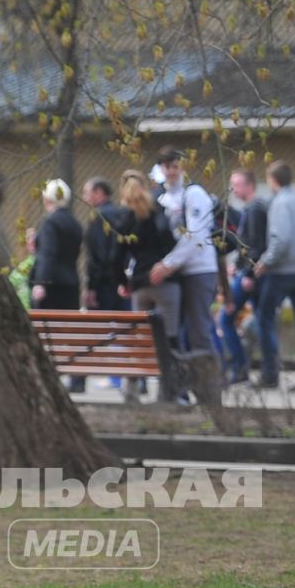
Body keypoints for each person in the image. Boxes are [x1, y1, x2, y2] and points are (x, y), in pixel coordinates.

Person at [253, 161, 295, 392]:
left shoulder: (280, 203)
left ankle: (270, 375)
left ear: (273, 180)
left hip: (282, 271)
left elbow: (280, 239)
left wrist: (265, 262)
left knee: (264, 317)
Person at [147, 147, 220, 359]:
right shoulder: (161, 200)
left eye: (175, 166)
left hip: (198, 270)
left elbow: (195, 236)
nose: (171, 171)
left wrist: (168, 264)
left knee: (199, 334)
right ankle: (180, 388)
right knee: (174, 334)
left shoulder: (194, 194)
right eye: (167, 167)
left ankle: (211, 387)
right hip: (175, 274)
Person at [115, 169, 178, 400]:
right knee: (169, 338)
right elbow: (169, 240)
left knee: (140, 338)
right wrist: (165, 264)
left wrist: (124, 282)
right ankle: (166, 392)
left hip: (140, 283)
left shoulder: (125, 217)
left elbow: (115, 256)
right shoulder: (158, 211)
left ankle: (131, 390)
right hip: (165, 280)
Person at [215, 166, 266, 385]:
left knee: (226, 319)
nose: (233, 189)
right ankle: (256, 368)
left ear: (249, 185)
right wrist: (236, 264)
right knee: (261, 321)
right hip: (246, 272)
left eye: (237, 184)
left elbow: (256, 245)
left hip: (249, 276)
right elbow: (245, 245)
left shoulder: (254, 209)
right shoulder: (249, 209)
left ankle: (239, 367)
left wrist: (248, 274)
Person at [29, 179, 83, 310]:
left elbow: (48, 253)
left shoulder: (50, 222)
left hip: (52, 285)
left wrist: (41, 282)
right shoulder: (75, 223)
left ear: (47, 199)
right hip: (71, 282)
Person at [79, 177, 126, 312]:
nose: (84, 197)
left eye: (87, 192)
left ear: (99, 192)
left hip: (103, 283)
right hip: (120, 278)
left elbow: (97, 254)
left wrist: (91, 286)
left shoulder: (99, 216)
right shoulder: (118, 213)